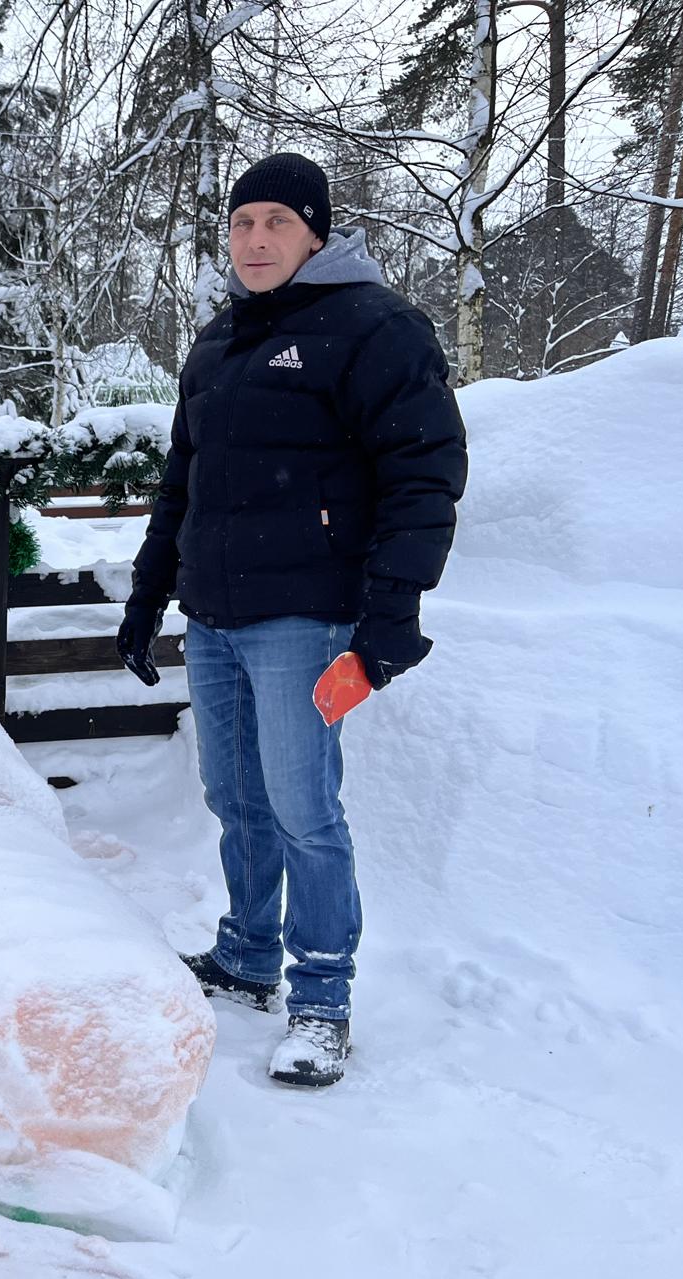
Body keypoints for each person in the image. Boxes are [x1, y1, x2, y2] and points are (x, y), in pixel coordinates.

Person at [116, 152, 467, 1087]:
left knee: (304, 810)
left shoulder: (373, 327)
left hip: (304, 621)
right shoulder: (220, 342)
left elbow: (422, 475)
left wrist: (390, 615)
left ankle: (321, 999)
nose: (256, 239)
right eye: (242, 223)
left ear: (317, 232)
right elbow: (180, 488)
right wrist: (150, 595)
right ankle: (246, 957)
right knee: (235, 801)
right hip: (218, 618)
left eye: (277, 221)